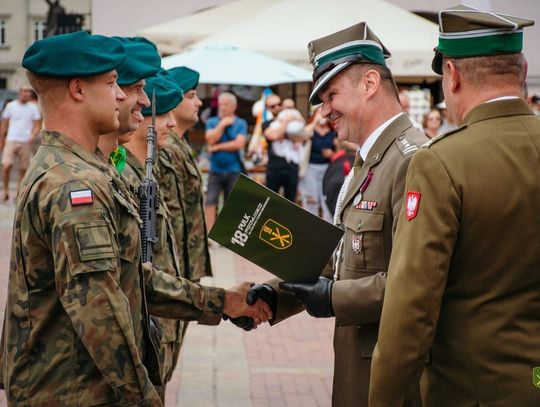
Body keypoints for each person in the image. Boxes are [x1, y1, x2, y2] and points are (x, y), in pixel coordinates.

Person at [0, 32, 271, 405]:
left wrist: (218, 300)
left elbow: (121, 275)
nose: (124, 95)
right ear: (78, 89)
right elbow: (100, 310)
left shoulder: (81, 169)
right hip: (73, 391)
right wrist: (143, 398)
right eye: (112, 83)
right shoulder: (76, 184)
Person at [241, 22, 428, 407]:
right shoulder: (370, 158)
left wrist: (332, 298)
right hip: (359, 359)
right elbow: (345, 256)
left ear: (370, 83)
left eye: (330, 95)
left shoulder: (414, 159)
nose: (324, 111)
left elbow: (416, 284)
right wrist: (278, 295)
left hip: (388, 371)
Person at [369, 5, 540, 407]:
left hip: (474, 389)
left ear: (453, 75)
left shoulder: (442, 161)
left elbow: (412, 306)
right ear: (522, 67)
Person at [204, 92, 247, 229]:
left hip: (234, 169)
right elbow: (210, 139)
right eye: (221, 104)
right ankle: (209, 233)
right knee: (210, 201)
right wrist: (222, 125)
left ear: (234, 106)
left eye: (226, 104)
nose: (222, 107)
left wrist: (217, 147)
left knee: (232, 203)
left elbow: (239, 144)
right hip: (215, 169)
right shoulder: (212, 122)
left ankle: (228, 233)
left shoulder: (241, 123)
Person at [262, 93, 307, 202]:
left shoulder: (295, 119)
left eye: (279, 104)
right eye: (273, 106)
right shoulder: (267, 124)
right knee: (270, 201)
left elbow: (304, 137)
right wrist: (286, 121)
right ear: (268, 108)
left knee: (291, 202)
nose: (277, 107)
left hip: (292, 167)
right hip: (274, 168)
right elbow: (273, 135)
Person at [0, 86, 42, 201]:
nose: (27, 93)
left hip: (25, 141)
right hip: (11, 139)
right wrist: (1, 140)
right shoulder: (11, 106)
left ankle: (19, 193)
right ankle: (5, 190)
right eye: (25, 91)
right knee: (6, 164)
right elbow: (4, 123)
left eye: (29, 92)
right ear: (20, 93)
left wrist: (33, 135)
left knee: (23, 169)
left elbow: (37, 124)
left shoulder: (33, 108)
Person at [299, 105, 337, 222]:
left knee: (327, 200)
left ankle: (328, 228)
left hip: (327, 169)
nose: (322, 115)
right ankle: (310, 226)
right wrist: (315, 122)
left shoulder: (332, 132)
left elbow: (340, 149)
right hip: (310, 169)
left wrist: (332, 153)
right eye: (319, 113)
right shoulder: (310, 131)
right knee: (311, 200)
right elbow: (301, 136)